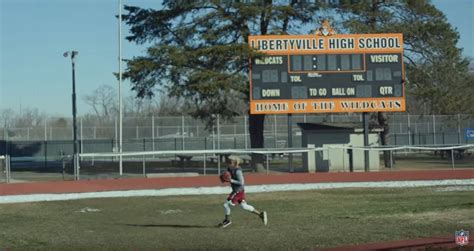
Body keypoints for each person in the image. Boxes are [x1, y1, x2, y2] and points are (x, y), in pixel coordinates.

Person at [218, 155, 267, 228]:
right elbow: (227, 175)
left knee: (226, 204)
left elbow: (241, 183)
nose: (227, 162)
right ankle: (260, 214)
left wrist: (231, 180)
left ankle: (227, 220)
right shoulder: (229, 168)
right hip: (237, 190)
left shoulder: (238, 171)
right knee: (244, 206)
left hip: (238, 190)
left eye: (229, 161)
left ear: (234, 162)